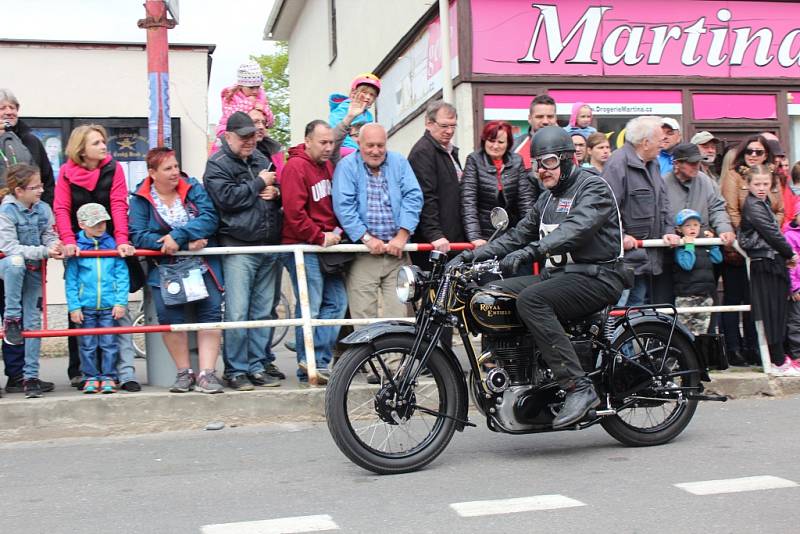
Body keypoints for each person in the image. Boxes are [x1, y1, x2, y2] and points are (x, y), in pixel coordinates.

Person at [452, 126, 626, 429]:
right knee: (493, 295)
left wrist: (531, 252)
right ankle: (507, 372)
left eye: (548, 162)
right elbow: (519, 234)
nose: (541, 170)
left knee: (532, 300)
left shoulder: (593, 187)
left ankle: (578, 387)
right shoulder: (547, 199)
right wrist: (472, 255)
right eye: (537, 163)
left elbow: (574, 230)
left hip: (598, 277)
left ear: (568, 159)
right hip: (559, 277)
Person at [129, 147, 225, 394]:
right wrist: (184, 243)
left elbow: (210, 218)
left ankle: (207, 373)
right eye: (168, 168)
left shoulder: (193, 188)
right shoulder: (141, 199)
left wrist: (178, 236)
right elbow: (138, 235)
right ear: (152, 173)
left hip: (203, 268)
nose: (175, 173)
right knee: (171, 318)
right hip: (165, 271)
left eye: (176, 166)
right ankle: (184, 373)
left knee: (211, 313)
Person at [54, 124, 141, 392]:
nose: (104, 146)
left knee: (112, 303)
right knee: (80, 307)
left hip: (109, 237)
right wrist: (68, 240)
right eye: (97, 143)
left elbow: (118, 203)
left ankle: (113, 372)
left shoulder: (113, 168)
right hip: (79, 243)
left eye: (104, 141)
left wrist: (122, 240)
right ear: (81, 149)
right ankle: (81, 371)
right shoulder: (67, 173)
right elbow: (61, 207)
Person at [204, 111, 282, 390]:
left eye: (252, 135)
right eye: (244, 136)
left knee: (264, 311)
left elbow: (276, 187)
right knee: (237, 312)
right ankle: (236, 370)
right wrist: (261, 183)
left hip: (268, 243)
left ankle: (257, 366)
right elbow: (227, 200)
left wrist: (276, 193)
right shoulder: (217, 164)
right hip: (237, 246)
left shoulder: (262, 159)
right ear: (228, 136)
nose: (250, 140)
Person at [332, 123, 423, 324]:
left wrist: (402, 235)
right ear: (359, 143)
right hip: (363, 254)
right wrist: (366, 237)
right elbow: (343, 206)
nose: (376, 151)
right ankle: (366, 357)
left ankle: (394, 357)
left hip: (396, 253)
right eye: (370, 145)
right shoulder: (347, 166)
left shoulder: (399, 162)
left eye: (380, 145)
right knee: (363, 318)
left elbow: (413, 197)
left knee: (398, 317)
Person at [281, 120, 348, 384]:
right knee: (312, 305)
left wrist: (334, 233)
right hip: (303, 246)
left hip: (326, 245)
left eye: (331, 142)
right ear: (307, 141)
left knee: (338, 302)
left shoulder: (327, 166)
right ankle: (309, 363)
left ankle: (317, 361)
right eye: (323, 142)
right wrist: (319, 236)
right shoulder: (295, 167)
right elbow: (294, 213)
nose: (329, 147)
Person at [0, 88, 56, 395]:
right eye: (2, 108)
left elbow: (46, 182)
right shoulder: (8, 206)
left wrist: (49, 229)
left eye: (13, 107)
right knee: (8, 310)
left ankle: (22, 375)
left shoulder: (30, 141)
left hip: (29, 241)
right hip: (9, 241)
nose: (9, 112)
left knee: (27, 314)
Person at [0, 164, 63, 398]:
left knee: (34, 323)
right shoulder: (6, 211)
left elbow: (50, 234)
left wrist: (55, 246)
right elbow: (9, 247)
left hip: (35, 270)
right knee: (16, 261)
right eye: (34, 187)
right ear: (19, 191)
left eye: (41, 186)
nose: (40, 190)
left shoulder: (43, 208)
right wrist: (45, 252)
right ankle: (12, 317)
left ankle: (31, 377)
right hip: (10, 267)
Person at [603, 116, 680, 306]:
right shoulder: (617, 164)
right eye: (659, 139)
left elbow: (663, 203)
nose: (663, 144)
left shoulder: (652, 163)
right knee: (615, 314)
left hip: (644, 258)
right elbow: (605, 208)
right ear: (645, 143)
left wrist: (669, 230)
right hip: (623, 260)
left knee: (636, 317)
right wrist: (621, 236)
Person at [720, 135, 782, 365]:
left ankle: (754, 348)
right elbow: (732, 210)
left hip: (765, 250)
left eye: (759, 152)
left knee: (753, 301)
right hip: (740, 250)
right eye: (750, 152)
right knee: (734, 298)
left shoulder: (771, 177)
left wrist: (771, 230)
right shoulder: (734, 176)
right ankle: (733, 348)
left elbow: (780, 209)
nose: (754, 155)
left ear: (766, 155)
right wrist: (748, 236)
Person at [737, 164, 798, 371]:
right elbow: (772, 232)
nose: (761, 187)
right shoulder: (753, 205)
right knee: (771, 311)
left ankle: (779, 357)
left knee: (777, 310)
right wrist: (790, 254)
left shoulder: (763, 203)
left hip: (771, 259)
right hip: (764, 261)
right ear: (748, 184)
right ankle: (778, 360)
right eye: (757, 184)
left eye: (765, 183)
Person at [65, 203, 129, 394]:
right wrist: (74, 306)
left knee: (109, 343)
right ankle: (90, 377)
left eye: (103, 222)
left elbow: (121, 276)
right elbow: (71, 281)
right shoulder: (77, 249)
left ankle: (109, 376)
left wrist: (120, 302)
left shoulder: (112, 246)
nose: (101, 227)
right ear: (82, 224)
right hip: (86, 306)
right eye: (95, 224)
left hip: (109, 306)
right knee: (87, 344)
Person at [661, 143, 735, 305]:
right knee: (671, 305)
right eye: (691, 162)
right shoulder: (663, 183)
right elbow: (659, 214)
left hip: (703, 255)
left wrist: (724, 229)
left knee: (707, 305)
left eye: (698, 162)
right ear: (677, 164)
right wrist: (669, 232)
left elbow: (717, 208)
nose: (696, 166)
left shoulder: (706, 181)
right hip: (671, 254)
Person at [250, 107, 287, 380]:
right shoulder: (232, 155)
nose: (260, 126)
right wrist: (258, 184)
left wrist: (277, 192)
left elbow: (287, 185)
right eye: (254, 121)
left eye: (264, 121)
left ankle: (264, 359)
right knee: (245, 309)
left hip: (272, 236)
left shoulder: (275, 152)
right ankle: (246, 365)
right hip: (244, 241)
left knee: (268, 306)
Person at [461, 120, 534, 247]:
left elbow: (525, 200)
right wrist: (475, 237)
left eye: (500, 142)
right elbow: (468, 202)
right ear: (484, 141)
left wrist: (528, 233)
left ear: (508, 143)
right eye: (491, 140)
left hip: (511, 233)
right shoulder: (473, 160)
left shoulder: (517, 161)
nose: (495, 146)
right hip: (483, 235)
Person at [408, 101, 466, 255]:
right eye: (444, 126)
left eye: (453, 126)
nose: (449, 131)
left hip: (452, 237)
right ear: (429, 123)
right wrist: (435, 234)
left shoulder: (448, 151)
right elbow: (425, 196)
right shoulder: (423, 152)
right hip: (437, 243)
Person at [672, 209, 723, 336]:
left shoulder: (703, 244)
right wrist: (689, 246)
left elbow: (717, 259)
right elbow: (687, 265)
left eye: (695, 225)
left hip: (705, 296)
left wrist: (712, 244)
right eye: (687, 225)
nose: (692, 228)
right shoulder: (680, 247)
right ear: (679, 229)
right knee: (684, 333)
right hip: (686, 297)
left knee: (702, 332)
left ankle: (700, 355)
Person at [211, 60, 273, 154]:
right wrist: (249, 103)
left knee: (273, 147)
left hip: (254, 134)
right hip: (228, 131)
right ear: (241, 86)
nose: (255, 91)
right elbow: (233, 117)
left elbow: (270, 121)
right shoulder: (230, 97)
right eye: (251, 88)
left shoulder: (261, 97)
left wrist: (263, 109)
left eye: (257, 87)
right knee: (222, 145)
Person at [328, 73, 381, 152]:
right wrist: (355, 149)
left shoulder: (369, 116)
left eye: (372, 95)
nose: (368, 97)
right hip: (344, 149)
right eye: (364, 92)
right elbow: (334, 129)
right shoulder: (344, 108)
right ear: (354, 92)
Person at [513, 94, 557, 171]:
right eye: (539, 117)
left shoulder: (567, 146)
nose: (545, 121)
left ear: (555, 118)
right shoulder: (515, 148)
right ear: (530, 119)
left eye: (550, 116)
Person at [782, 214, 800, 372]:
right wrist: (794, 288)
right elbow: (790, 265)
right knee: (796, 322)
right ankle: (796, 355)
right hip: (798, 288)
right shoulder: (789, 236)